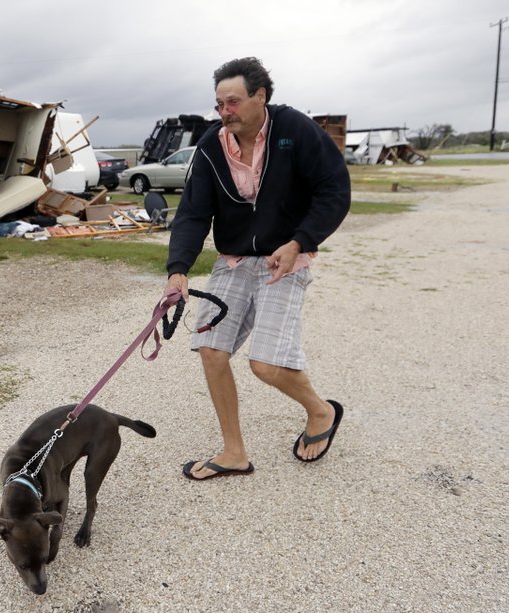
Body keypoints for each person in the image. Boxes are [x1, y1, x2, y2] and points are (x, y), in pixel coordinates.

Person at [163, 57, 350, 480]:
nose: (224, 112)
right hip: (233, 262)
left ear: (260, 96)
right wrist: (178, 270)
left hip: (285, 258)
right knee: (211, 352)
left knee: (266, 365)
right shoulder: (212, 145)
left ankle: (321, 412)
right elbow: (193, 213)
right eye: (218, 104)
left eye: (233, 102)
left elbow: (334, 190)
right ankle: (233, 453)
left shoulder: (295, 131)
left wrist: (299, 241)